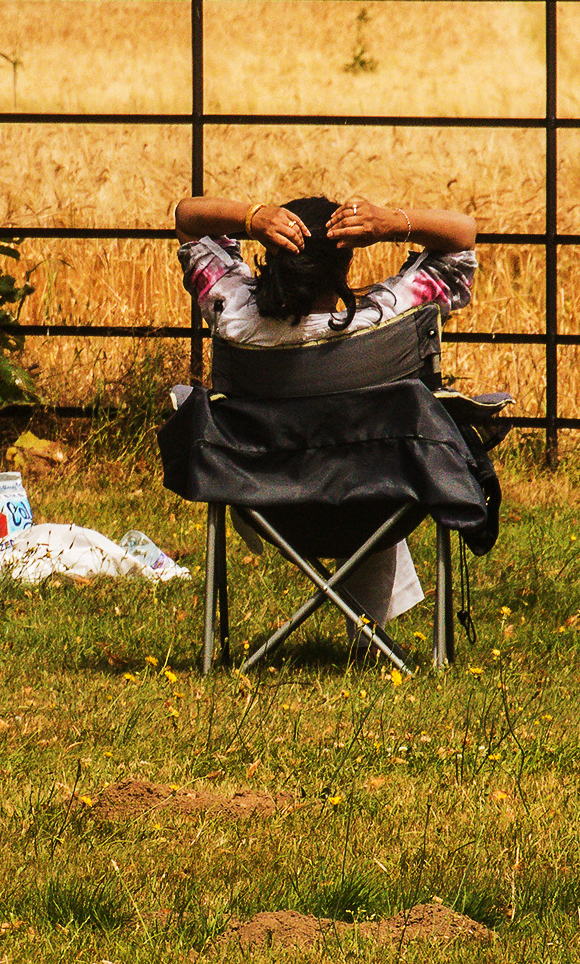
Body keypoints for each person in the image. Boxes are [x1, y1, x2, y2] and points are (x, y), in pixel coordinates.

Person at [171, 192, 479, 634]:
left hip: (265, 500)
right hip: (379, 502)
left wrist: (252, 217)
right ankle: (371, 634)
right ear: (345, 266)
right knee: (368, 451)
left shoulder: (231, 313)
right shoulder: (391, 316)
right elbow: (463, 233)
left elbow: (187, 216)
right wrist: (392, 222)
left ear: (271, 255)